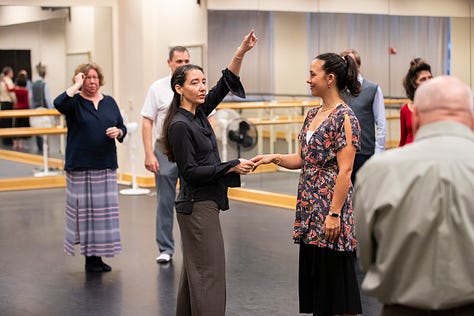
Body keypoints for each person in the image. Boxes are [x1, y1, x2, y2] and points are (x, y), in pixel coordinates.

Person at [252, 53, 363, 316]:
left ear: (330, 78)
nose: (308, 79)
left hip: (329, 210)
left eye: (313, 74)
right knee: (318, 287)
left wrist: (334, 214)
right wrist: (274, 157)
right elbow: (303, 159)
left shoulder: (345, 118)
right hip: (309, 210)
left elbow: (345, 170)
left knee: (337, 287)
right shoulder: (313, 113)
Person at [354, 75, 474, 316]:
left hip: (402, 309)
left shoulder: (377, 172)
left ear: (415, 118)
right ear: (471, 120)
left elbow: (367, 258)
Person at [161, 30, 257, 316]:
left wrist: (241, 52)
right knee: (209, 275)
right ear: (179, 88)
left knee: (197, 274)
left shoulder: (199, 113)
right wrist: (231, 165)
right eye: (195, 83)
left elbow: (226, 81)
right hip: (196, 207)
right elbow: (190, 173)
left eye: (203, 81)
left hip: (204, 203)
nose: (203, 87)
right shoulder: (179, 125)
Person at [54, 62, 127, 273]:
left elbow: (121, 126)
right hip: (80, 165)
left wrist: (119, 132)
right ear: (80, 80)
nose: (92, 81)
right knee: (84, 214)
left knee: (102, 215)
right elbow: (58, 103)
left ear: (100, 79)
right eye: (87, 78)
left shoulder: (110, 102)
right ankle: (89, 258)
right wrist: (75, 86)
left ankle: (97, 257)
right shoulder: (73, 102)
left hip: (105, 165)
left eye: (95, 77)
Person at [141, 46, 191, 264]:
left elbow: (209, 119)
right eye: (179, 61)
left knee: (191, 200)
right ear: (169, 63)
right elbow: (147, 121)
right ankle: (165, 248)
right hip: (164, 149)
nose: (183, 65)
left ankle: (190, 248)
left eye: (186, 61)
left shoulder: (196, 85)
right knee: (165, 201)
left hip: (190, 149)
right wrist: (148, 154)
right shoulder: (157, 88)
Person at [340, 49, 387, 183]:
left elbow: (381, 123)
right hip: (341, 154)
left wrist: (378, 153)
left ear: (358, 66)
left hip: (365, 154)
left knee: (365, 197)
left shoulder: (373, 89)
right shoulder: (337, 91)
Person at [399, 57, 433, 146]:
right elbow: (402, 140)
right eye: (423, 79)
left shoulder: (438, 107)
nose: (428, 82)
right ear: (414, 84)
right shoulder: (405, 109)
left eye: (430, 78)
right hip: (409, 154)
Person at [31, 63, 54, 153]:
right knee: (45, 129)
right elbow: (47, 98)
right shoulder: (45, 85)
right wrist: (52, 110)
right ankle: (45, 147)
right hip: (44, 109)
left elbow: (31, 97)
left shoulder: (33, 84)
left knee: (37, 128)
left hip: (35, 109)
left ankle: (39, 146)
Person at [12, 71, 30, 150]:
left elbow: (10, 89)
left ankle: (15, 143)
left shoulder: (16, 90)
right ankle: (21, 144)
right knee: (22, 126)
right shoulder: (25, 91)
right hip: (24, 109)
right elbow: (26, 102)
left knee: (16, 126)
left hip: (16, 108)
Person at [0, 66, 16, 146]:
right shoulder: (9, 81)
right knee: (9, 123)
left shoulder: (1, 81)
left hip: (2, 103)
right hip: (8, 103)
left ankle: (4, 140)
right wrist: (15, 101)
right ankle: (8, 141)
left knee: (4, 122)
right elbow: (12, 93)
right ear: (9, 73)